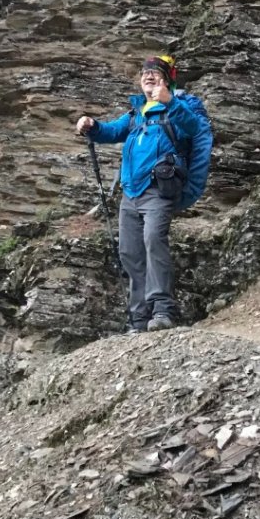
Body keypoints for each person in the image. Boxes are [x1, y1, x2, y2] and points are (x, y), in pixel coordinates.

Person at [75, 55, 212, 333]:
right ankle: (139, 319)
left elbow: (195, 130)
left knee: (153, 240)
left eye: (156, 72)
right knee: (129, 252)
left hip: (159, 190)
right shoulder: (136, 113)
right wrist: (91, 125)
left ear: (168, 79)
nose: (149, 76)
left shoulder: (184, 105)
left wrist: (169, 102)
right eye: (145, 73)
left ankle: (162, 310)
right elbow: (111, 131)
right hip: (131, 193)